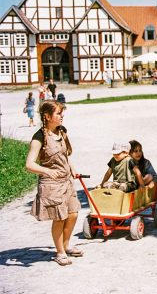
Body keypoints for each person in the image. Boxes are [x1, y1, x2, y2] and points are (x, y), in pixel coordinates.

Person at [25, 100, 82, 266]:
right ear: (47, 116)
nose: (62, 115)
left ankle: (66, 245)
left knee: (73, 214)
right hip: (51, 185)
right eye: (58, 113)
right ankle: (60, 252)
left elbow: (65, 155)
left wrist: (72, 169)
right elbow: (29, 164)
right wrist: (48, 171)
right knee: (59, 218)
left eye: (62, 112)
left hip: (66, 181)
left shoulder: (61, 131)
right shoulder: (39, 137)